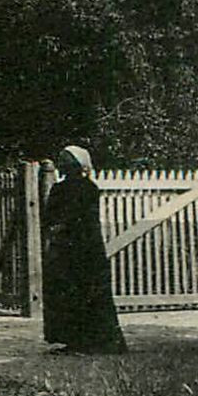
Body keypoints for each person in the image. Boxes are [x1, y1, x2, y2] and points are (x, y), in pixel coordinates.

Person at [42, 145, 127, 354]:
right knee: (74, 293)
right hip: (75, 249)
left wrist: (61, 228)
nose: (65, 168)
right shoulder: (72, 189)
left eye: (68, 164)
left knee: (82, 292)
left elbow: (74, 219)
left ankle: (91, 342)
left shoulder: (81, 189)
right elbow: (52, 217)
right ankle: (79, 342)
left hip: (79, 249)